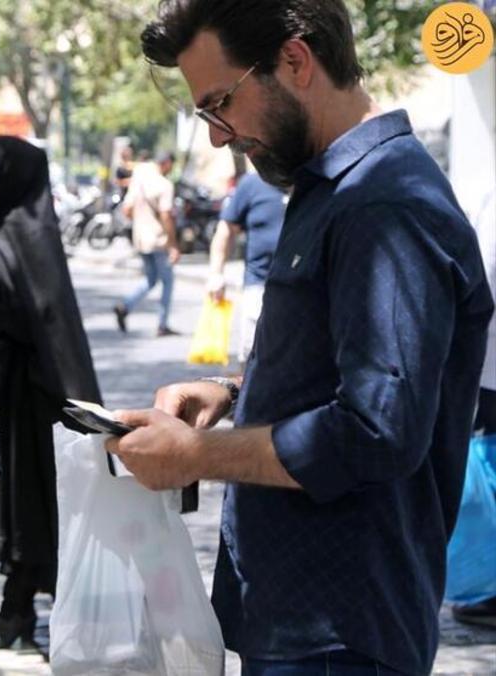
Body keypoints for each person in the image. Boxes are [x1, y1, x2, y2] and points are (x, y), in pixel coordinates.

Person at [105, 2, 495, 674]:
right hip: (304, 621)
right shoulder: (334, 189)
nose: (220, 137)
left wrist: (198, 454)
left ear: (296, 60)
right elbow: (351, 367)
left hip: (344, 631)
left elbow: (378, 428)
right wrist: (232, 390)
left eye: (221, 103)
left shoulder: (384, 205)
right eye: (206, 114)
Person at [0, 136, 103, 650]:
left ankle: (17, 615)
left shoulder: (26, 237)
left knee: (20, 510)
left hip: (20, 399)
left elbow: (33, 320)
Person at [206, 171, 287, 363]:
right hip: (258, 286)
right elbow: (225, 230)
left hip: (305, 289)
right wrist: (216, 274)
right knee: (252, 357)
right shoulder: (252, 184)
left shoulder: (312, 181)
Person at [112, 151, 181, 337]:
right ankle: (162, 324)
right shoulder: (165, 185)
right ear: (166, 163)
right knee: (167, 281)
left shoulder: (139, 177)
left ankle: (125, 306)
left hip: (140, 238)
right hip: (158, 240)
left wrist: (142, 221)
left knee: (151, 279)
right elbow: (166, 215)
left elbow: (127, 209)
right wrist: (173, 244)